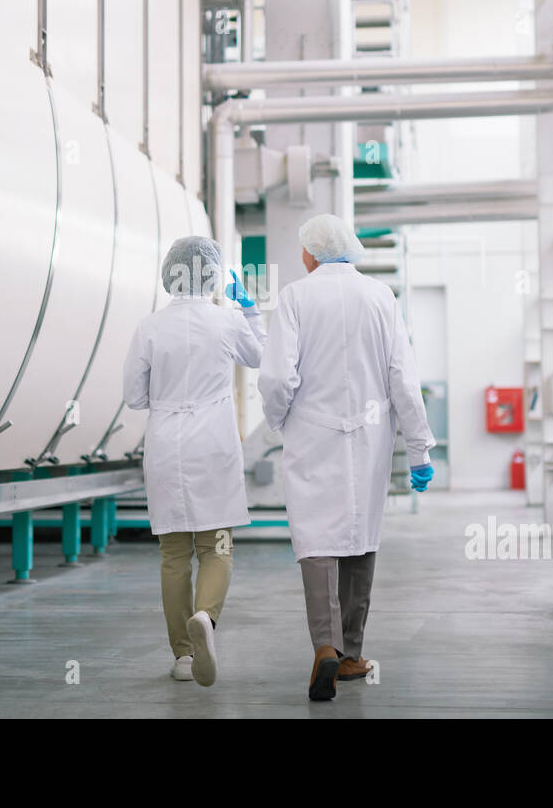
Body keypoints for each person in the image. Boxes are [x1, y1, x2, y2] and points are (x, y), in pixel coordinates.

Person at [258, 214, 435, 701]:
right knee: (360, 534)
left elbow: (276, 379)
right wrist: (418, 447)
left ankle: (324, 648)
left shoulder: (294, 297)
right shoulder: (381, 297)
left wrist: (280, 418)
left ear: (310, 254)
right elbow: (403, 377)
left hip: (311, 433)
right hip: (369, 436)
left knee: (315, 538)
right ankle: (353, 653)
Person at [122, 236, 265, 687]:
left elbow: (133, 397)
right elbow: (261, 357)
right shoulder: (226, 321)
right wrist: (250, 311)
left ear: (170, 273)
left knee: (173, 556)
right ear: (214, 275)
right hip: (214, 445)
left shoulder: (149, 327)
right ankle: (205, 616)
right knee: (216, 546)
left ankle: (183, 656)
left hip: (166, 445)